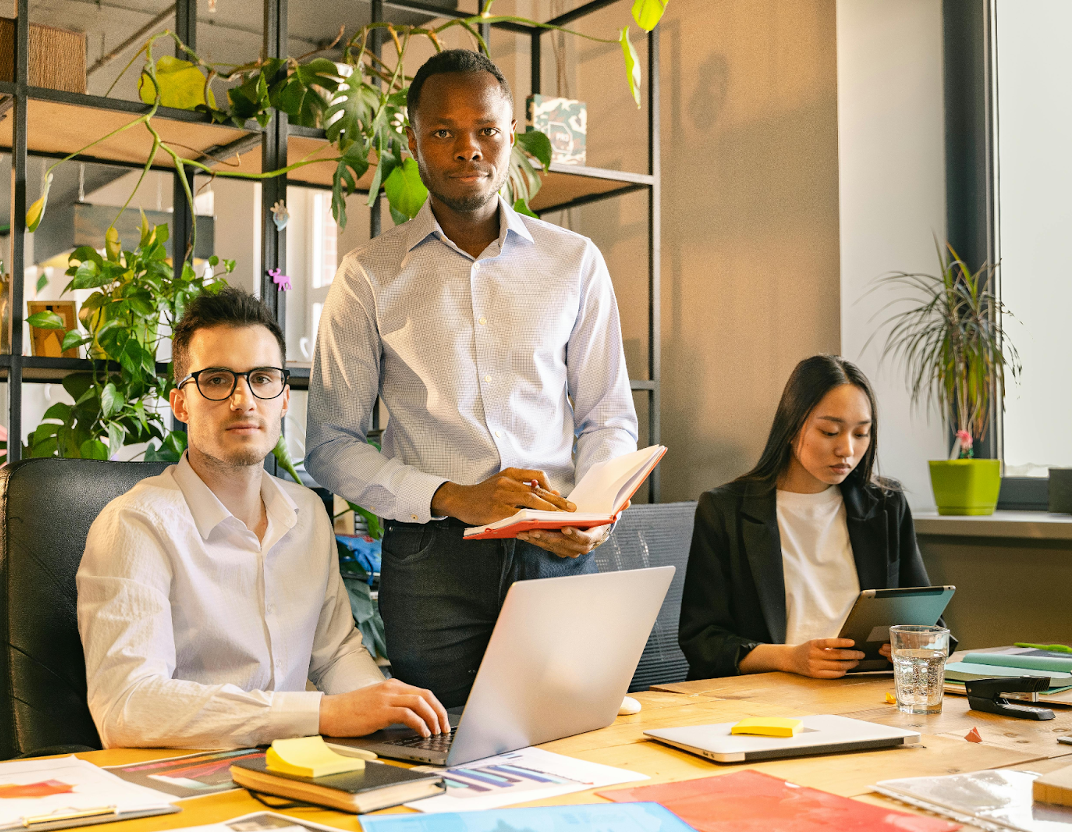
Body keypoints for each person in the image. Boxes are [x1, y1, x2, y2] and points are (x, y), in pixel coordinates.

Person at [305, 49, 638, 708]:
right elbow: (330, 443)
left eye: (486, 129)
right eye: (444, 132)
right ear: (413, 142)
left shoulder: (574, 262)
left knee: (570, 737)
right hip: (431, 565)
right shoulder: (369, 275)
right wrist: (455, 495)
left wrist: (594, 513)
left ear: (512, 134)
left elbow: (609, 416)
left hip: (557, 548)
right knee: (436, 756)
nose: (469, 149)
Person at [77, 286, 449, 749]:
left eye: (263, 378)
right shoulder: (135, 525)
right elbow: (127, 706)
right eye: (216, 380)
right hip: (187, 779)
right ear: (180, 404)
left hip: (297, 770)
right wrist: (323, 714)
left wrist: (394, 716)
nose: (243, 400)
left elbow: (334, 655)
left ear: (284, 399)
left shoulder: (309, 515)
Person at [679, 354, 948, 680]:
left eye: (861, 434)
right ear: (792, 428)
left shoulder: (886, 507)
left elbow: (929, 623)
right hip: (765, 696)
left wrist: (915, 643)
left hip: (865, 690)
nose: (847, 449)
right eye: (830, 432)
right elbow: (702, 640)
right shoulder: (725, 510)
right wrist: (789, 658)